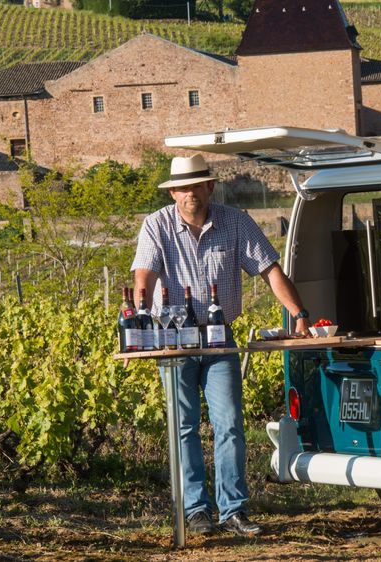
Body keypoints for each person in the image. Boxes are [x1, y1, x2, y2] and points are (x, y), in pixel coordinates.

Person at [131, 154, 311, 537]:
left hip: (219, 338)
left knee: (228, 424)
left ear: (210, 186)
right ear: (173, 192)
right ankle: (196, 511)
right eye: (183, 187)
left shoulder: (235, 222)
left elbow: (270, 270)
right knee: (184, 427)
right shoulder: (156, 225)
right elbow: (143, 275)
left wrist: (299, 313)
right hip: (174, 338)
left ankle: (233, 511)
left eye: (196, 185)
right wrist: (140, 312)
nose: (190, 193)